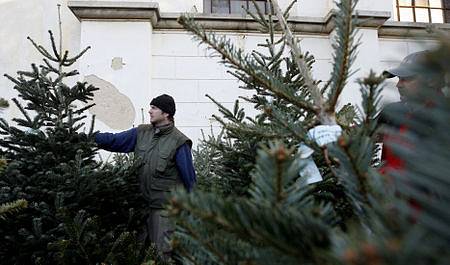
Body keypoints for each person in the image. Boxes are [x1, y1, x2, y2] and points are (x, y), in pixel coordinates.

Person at [94, 94, 196, 259]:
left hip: (163, 212)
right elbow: (114, 141)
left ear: (166, 114)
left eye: (154, 108)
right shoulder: (141, 132)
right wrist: (89, 138)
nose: (150, 111)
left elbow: (190, 181)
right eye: (151, 107)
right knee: (135, 254)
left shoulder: (179, 142)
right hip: (140, 207)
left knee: (161, 254)